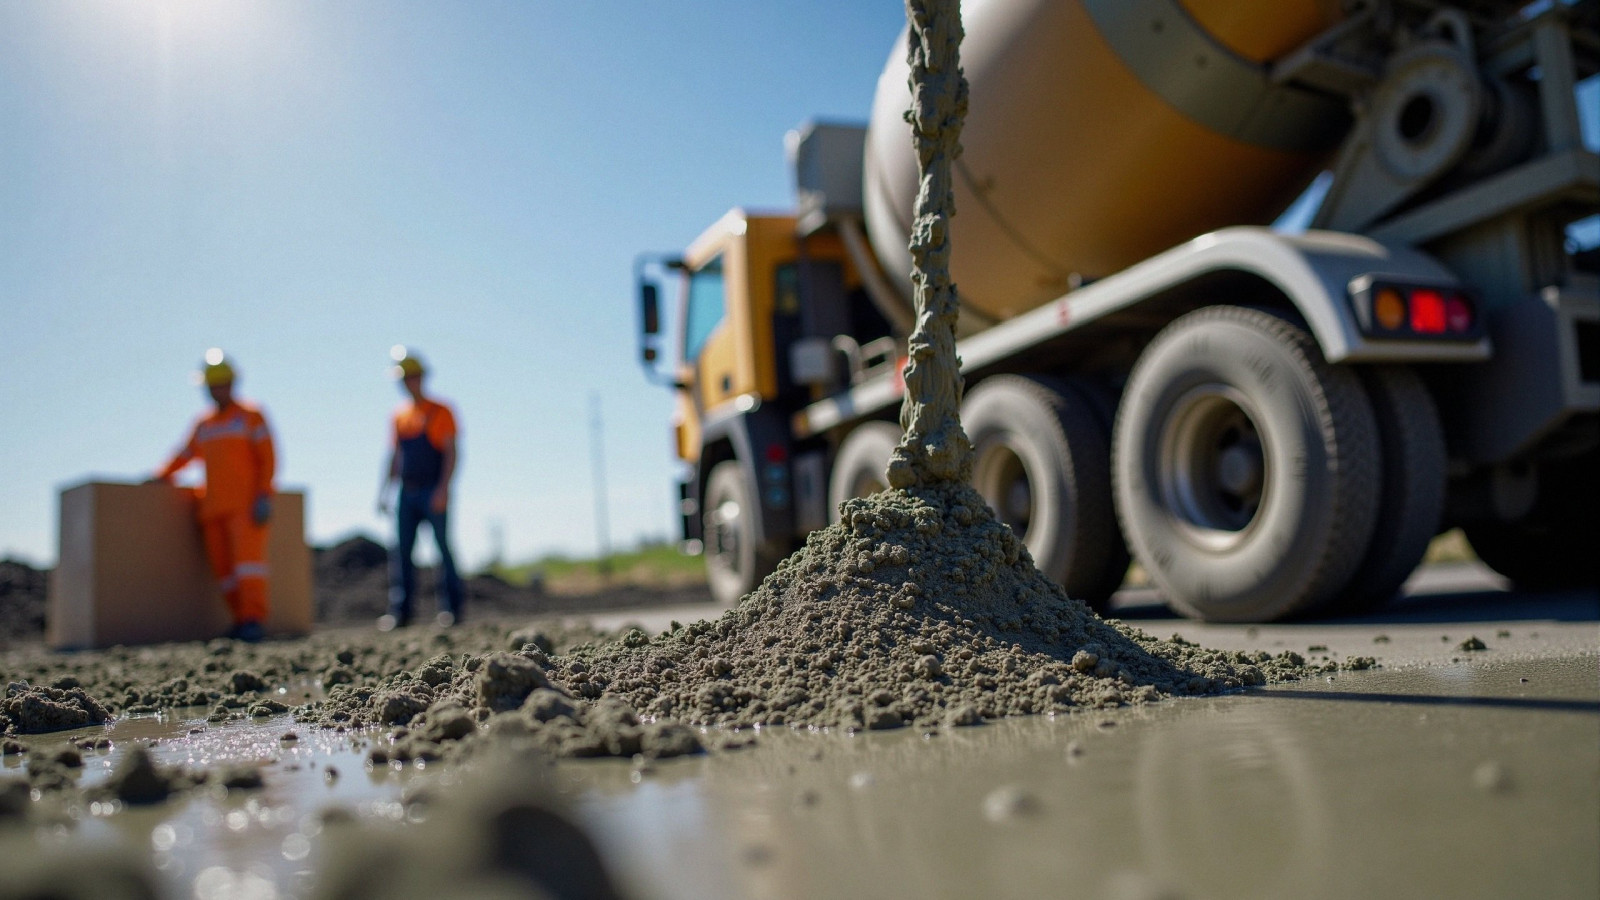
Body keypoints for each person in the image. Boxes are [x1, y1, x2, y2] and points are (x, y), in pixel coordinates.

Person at [154, 349, 276, 643]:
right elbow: (185, 454)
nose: (215, 390)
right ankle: (239, 619)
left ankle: (252, 620)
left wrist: (264, 495)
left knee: (248, 567)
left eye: (220, 383)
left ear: (232, 384)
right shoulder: (204, 424)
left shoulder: (251, 416)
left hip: (244, 508)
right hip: (212, 509)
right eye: (210, 385)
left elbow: (268, 459)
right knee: (225, 572)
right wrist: (161, 474)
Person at [376, 346, 464, 630]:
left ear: (420, 378)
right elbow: (394, 455)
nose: (406, 384)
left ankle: (451, 608)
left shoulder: (441, 411)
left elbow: (451, 452)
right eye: (402, 379)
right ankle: (401, 612)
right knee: (401, 551)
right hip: (407, 491)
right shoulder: (399, 416)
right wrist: (384, 491)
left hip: (432, 490)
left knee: (442, 548)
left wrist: (444, 489)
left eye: (410, 378)